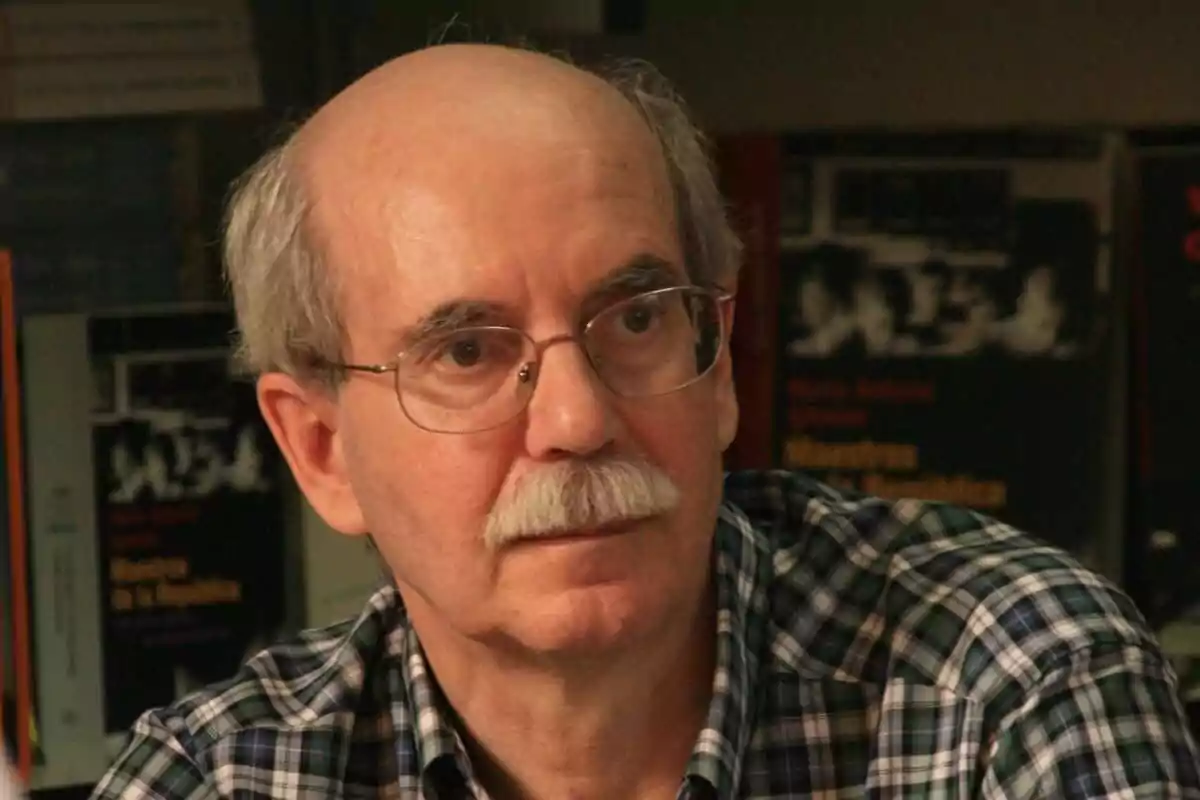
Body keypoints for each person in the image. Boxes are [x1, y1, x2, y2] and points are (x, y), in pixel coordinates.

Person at [92, 43, 1200, 799]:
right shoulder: (219, 778)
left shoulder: (1008, 677)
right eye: (468, 351)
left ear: (718, 365)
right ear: (320, 449)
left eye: (633, 318)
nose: (577, 418)